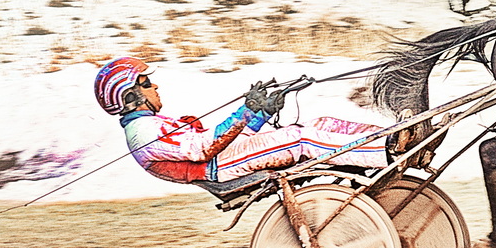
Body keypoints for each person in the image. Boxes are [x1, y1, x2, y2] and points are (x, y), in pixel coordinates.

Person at [94, 57, 388, 184]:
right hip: (219, 168)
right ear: (129, 96)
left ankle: (389, 136)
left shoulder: (149, 123)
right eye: (146, 83)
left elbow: (226, 140)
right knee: (301, 139)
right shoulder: (143, 132)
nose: (155, 86)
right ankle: (384, 152)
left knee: (320, 124)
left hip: (223, 158)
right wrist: (245, 111)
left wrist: (262, 112)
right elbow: (203, 149)